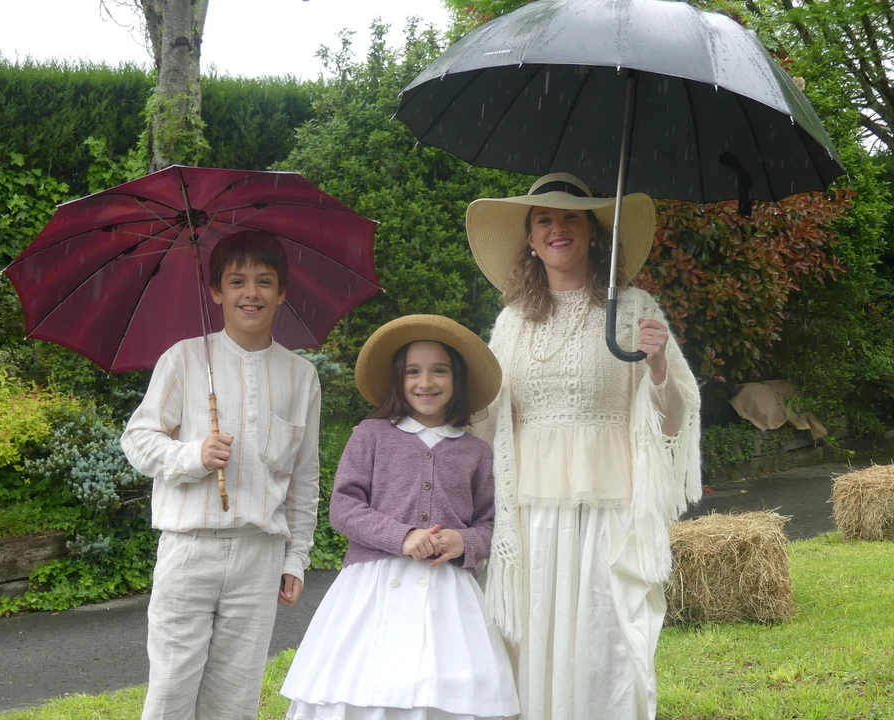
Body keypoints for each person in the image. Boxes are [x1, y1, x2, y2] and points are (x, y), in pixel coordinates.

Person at [465, 173, 702, 720]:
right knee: (535, 642)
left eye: (571, 216)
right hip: (529, 515)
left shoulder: (633, 308)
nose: (558, 228)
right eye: (544, 219)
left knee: (608, 643)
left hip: (610, 512)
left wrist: (658, 366)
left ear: (594, 231)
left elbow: (672, 422)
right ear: (530, 239)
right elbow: (488, 421)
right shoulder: (511, 322)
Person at [121, 229, 321, 720]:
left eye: (264, 281)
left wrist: (295, 558)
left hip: (260, 556)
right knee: (170, 693)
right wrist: (194, 455)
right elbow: (138, 440)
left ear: (281, 292)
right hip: (190, 551)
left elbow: (305, 477)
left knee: (234, 700)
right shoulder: (184, 359)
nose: (251, 293)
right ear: (216, 292)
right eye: (237, 281)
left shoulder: (301, 376)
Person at [281, 315, 520, 720]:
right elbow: (343, 507)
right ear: (398, 378)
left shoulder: (476, 452)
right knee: (365, 679)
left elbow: (490, 523)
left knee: (443, 682)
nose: (425, 382)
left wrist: (464, 542)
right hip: (371, 587)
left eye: (439, 371)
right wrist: (403, 536)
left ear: (457, 379)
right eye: (413, 372)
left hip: (448, 594)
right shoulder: (371, 435)